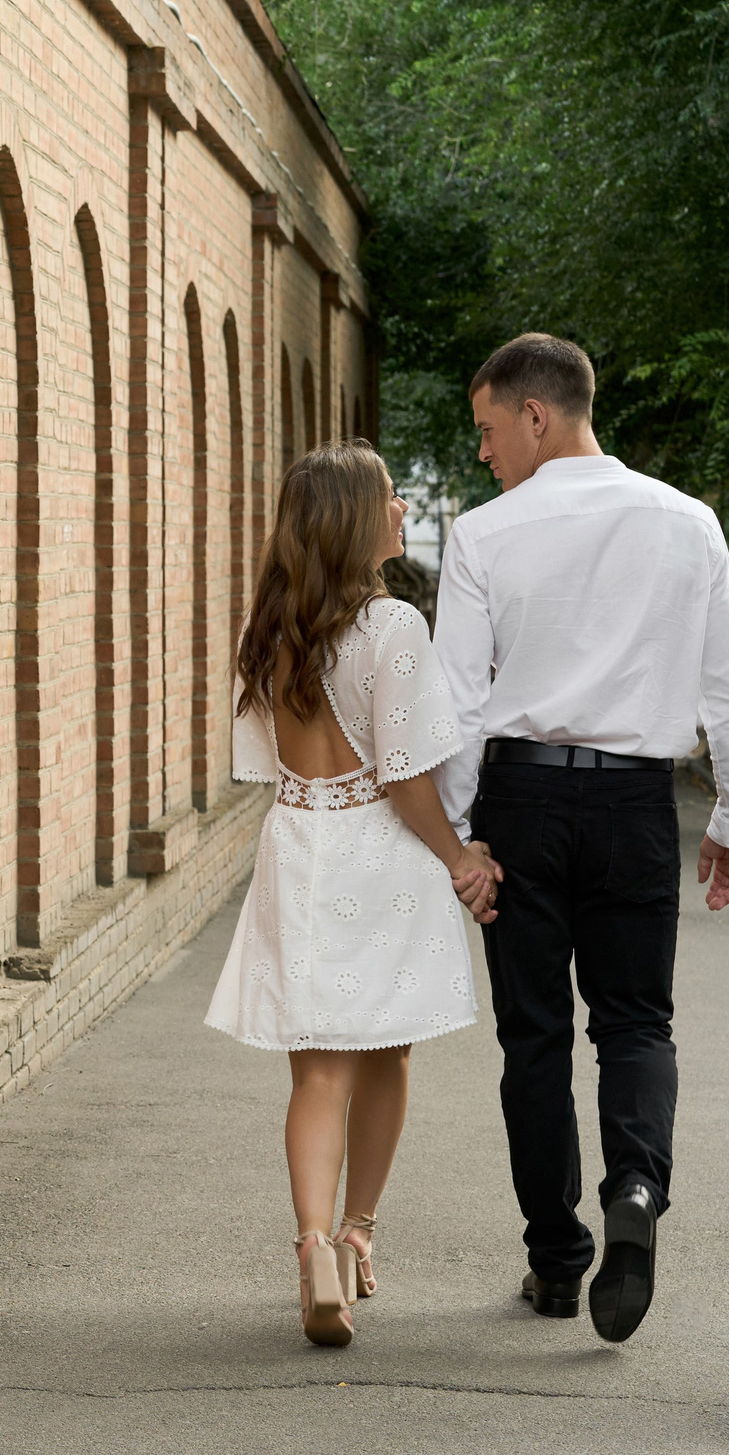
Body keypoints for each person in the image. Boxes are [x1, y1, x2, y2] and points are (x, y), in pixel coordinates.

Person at [434, 333, 729, 1344]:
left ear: (537, 414)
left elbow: (453, 702)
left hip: (522, 804)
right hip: (633, 808)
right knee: (634, 1024)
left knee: (531, 1035)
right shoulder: (687, 523)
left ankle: (556, 1257)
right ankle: (634, 1188)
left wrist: (460, 841)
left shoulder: (484, 535)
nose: (484, 454)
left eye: (490, 431)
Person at [206, 441, 502, 1348]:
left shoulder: (272, 628)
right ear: (351, 517)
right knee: (387, 1056)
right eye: (390, 497)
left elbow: (268, 764)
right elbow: (409, 777)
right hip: (380, 853)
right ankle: (357, 1229)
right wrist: (461, 856)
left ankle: (312, 1248)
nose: (403, 509)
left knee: (317, 1068)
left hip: (300, 844)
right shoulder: (392, 628)